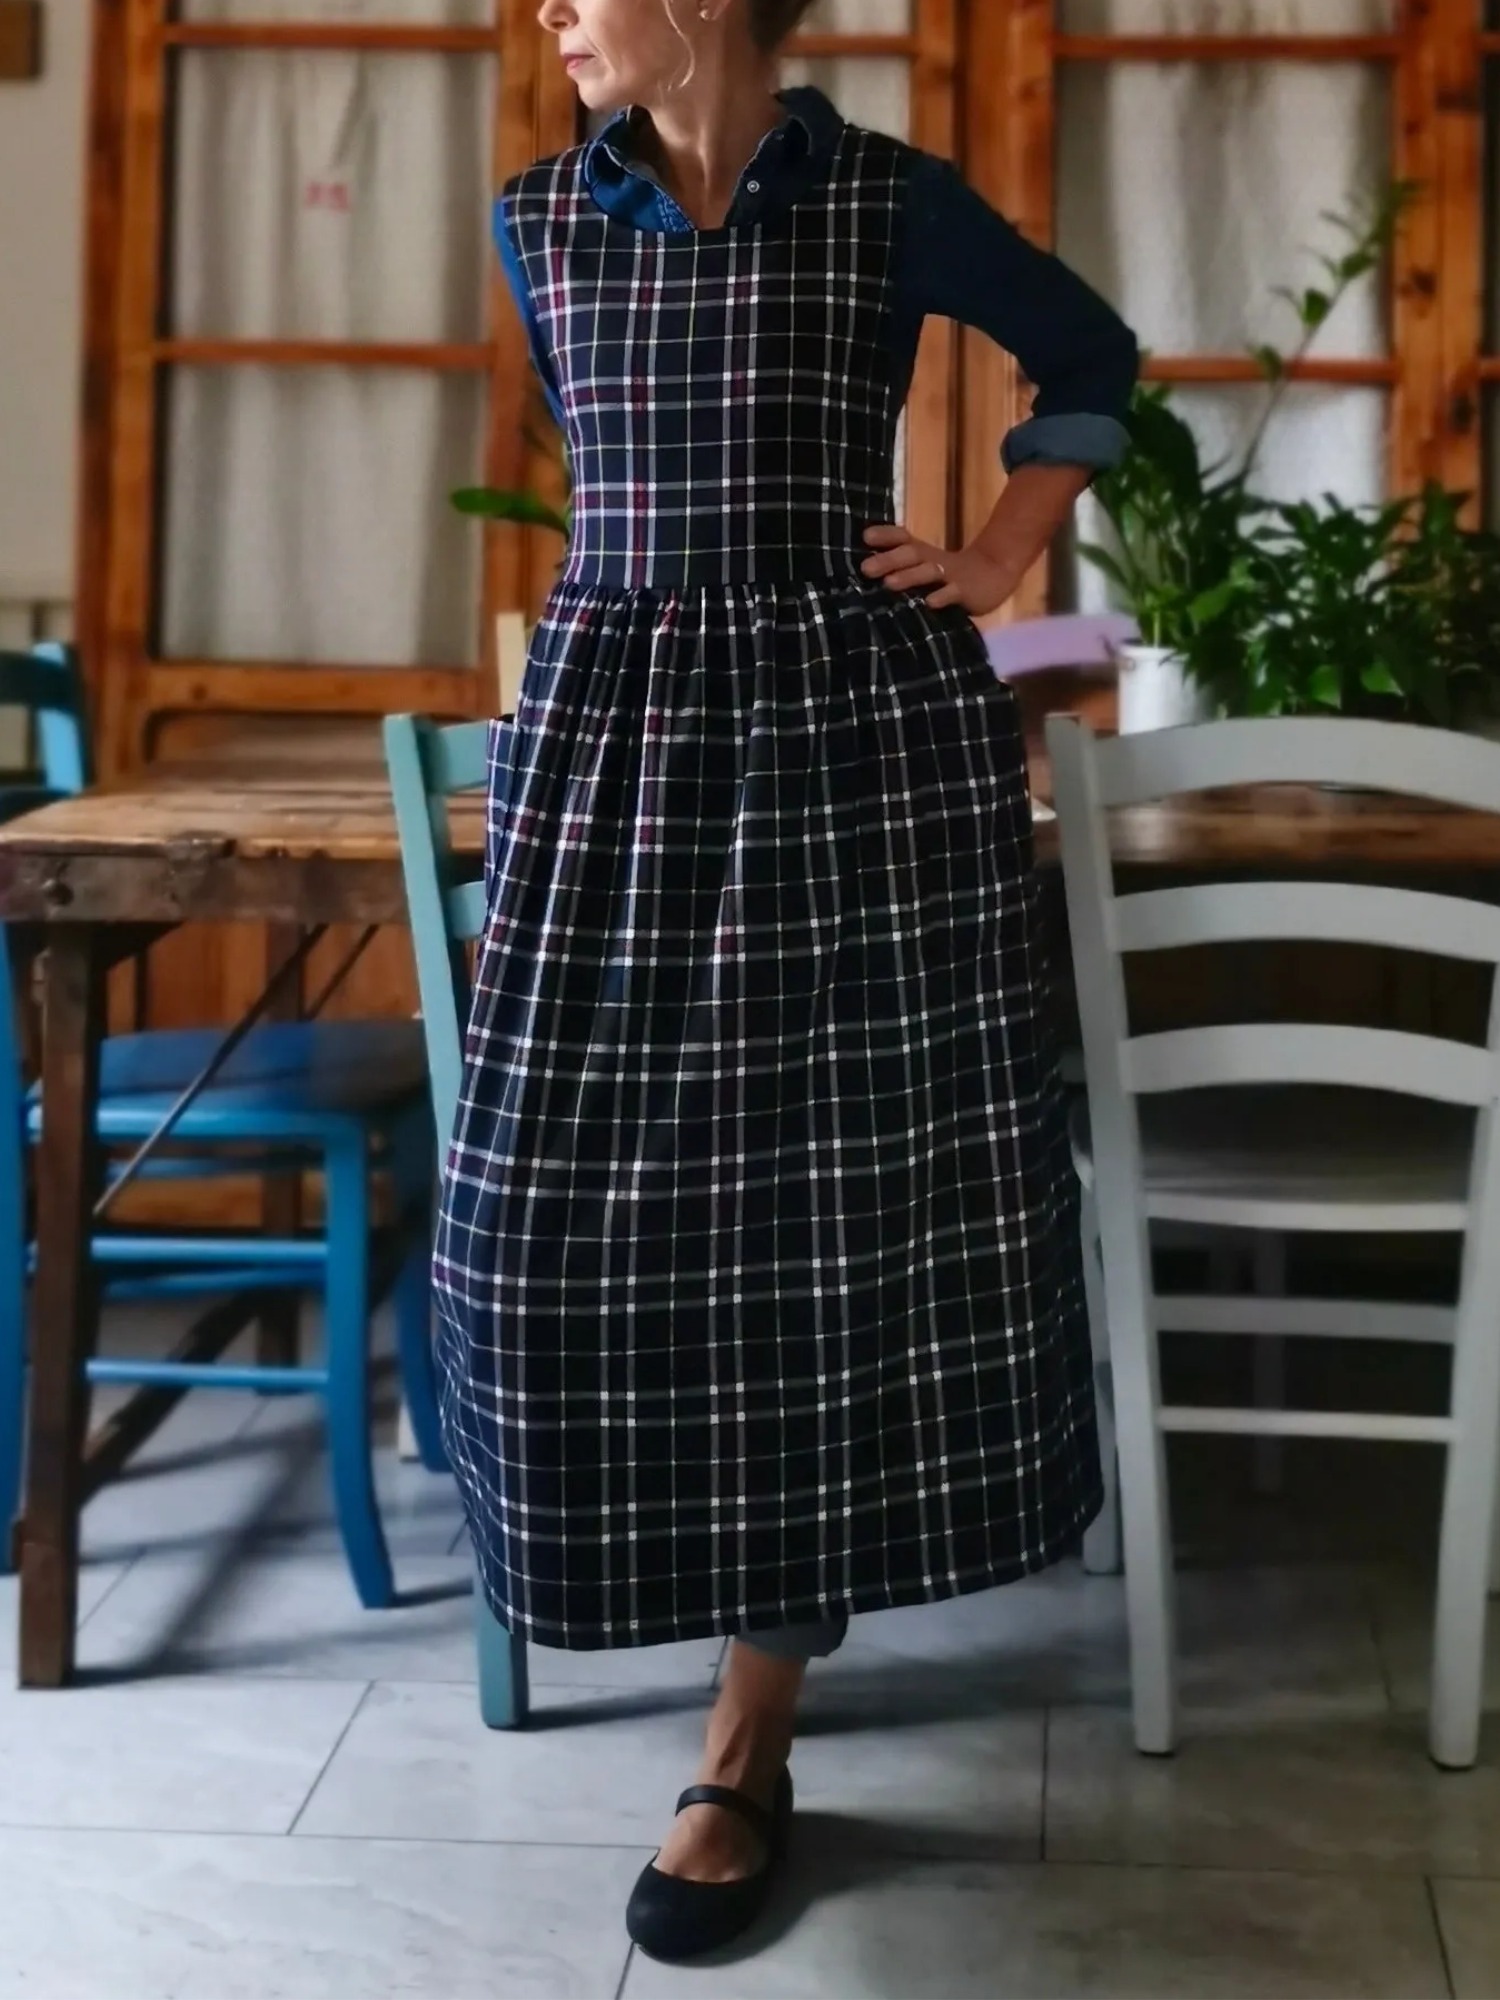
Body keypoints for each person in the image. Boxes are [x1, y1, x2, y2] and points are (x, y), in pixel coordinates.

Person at [433, 0, 1139, 1963]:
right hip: (617, 751)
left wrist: (1000, 554)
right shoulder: (537, 218)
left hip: (856, 750)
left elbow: (1089, 354)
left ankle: (749, 1736)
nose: (552, 14)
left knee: (828, 1223)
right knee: (528, 1226)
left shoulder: (888, 202)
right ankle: (643, 1599)